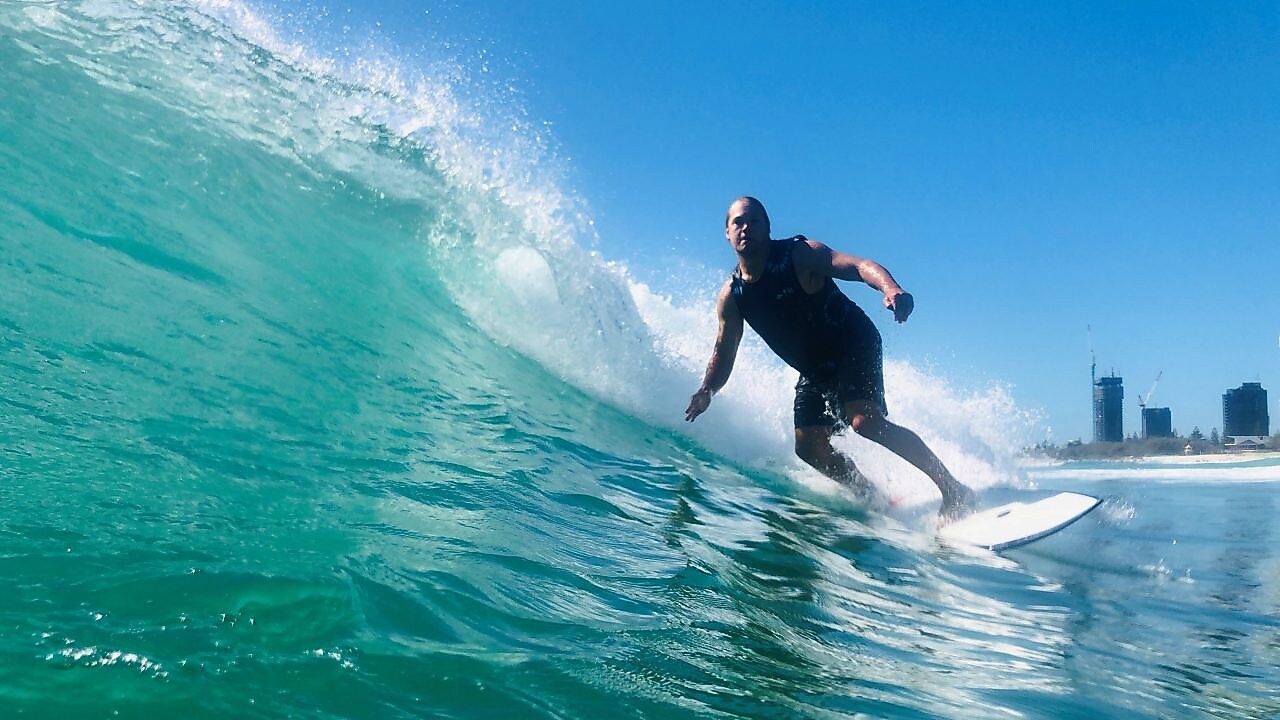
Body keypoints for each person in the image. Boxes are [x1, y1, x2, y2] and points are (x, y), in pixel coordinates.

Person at [684, 196, 974, 517]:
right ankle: (873, 499)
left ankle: (954, 490)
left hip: (852, 340)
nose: (746, 227)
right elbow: (724, 351)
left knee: (865, 422)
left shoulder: (799, 255)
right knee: (809, 447)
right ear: (727, 232)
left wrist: (890, 289)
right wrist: (707, 390)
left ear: (768, 228)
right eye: (739, 221)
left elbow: (858, 266)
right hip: (816, 368)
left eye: (755, 221)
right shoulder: (733, 296)